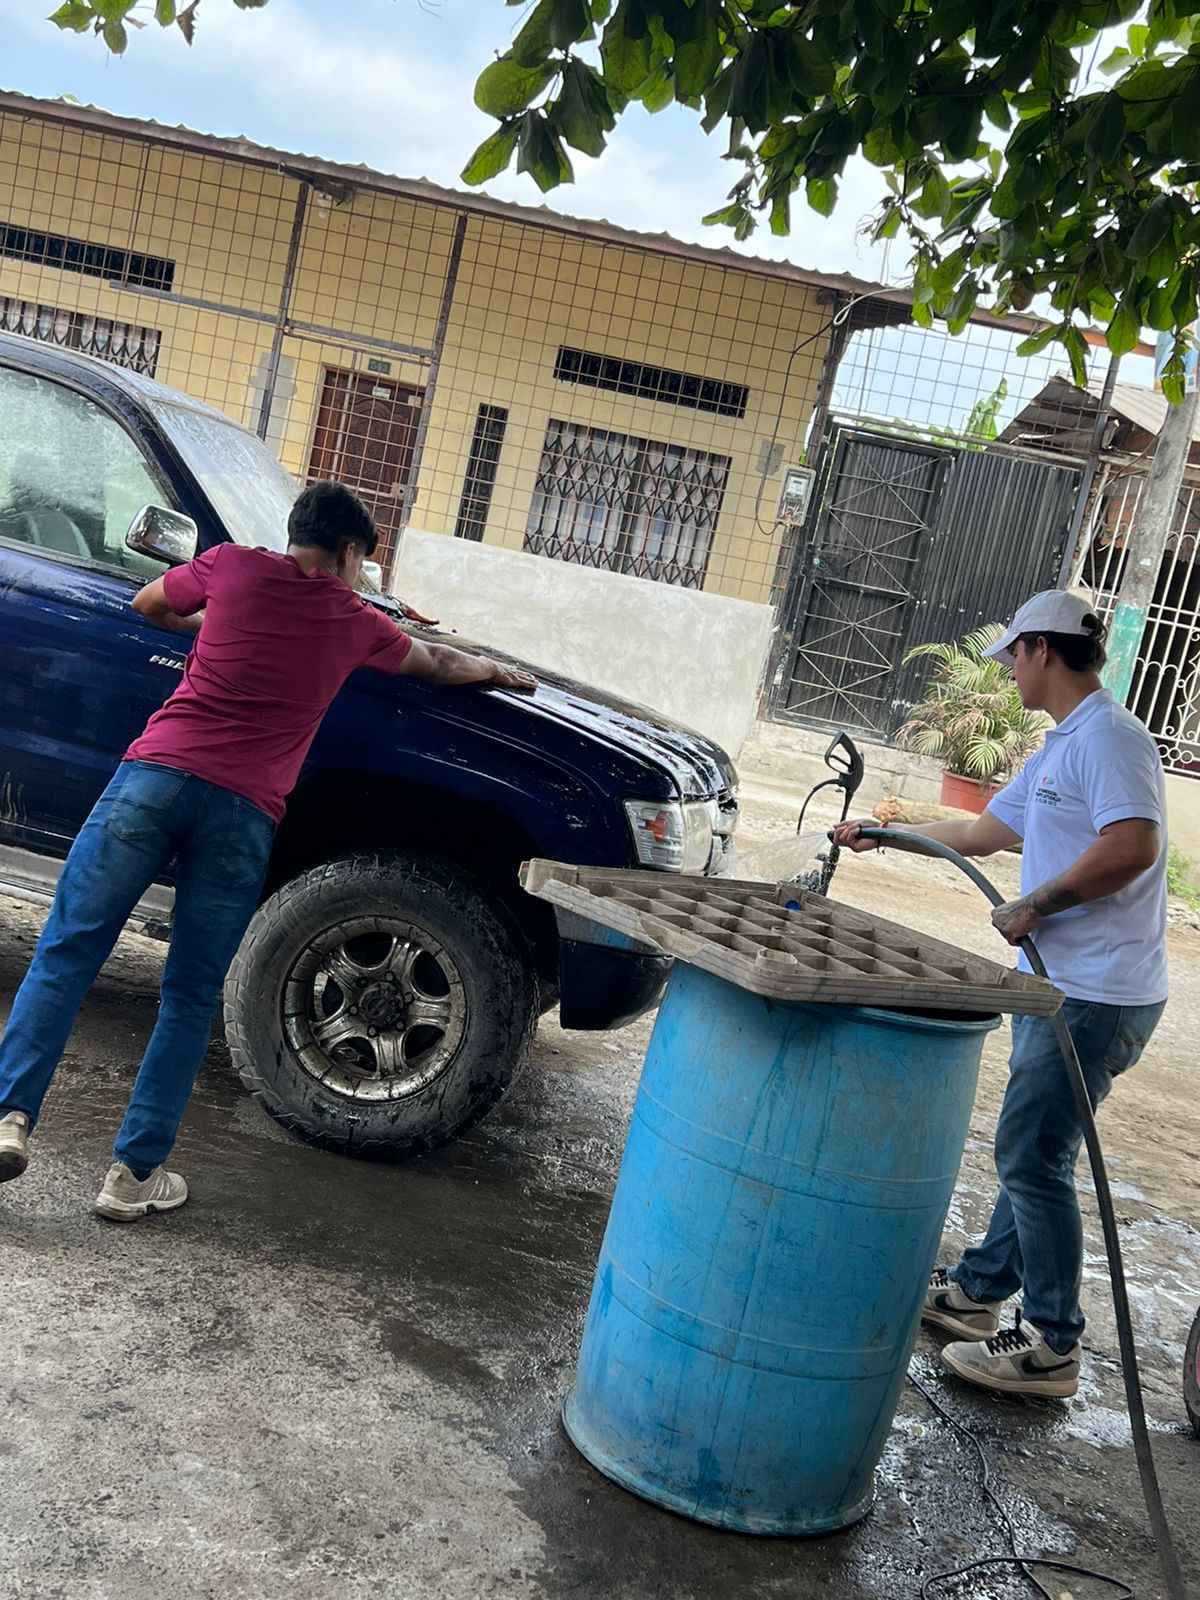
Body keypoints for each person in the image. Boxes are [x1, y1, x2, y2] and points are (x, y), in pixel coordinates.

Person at [0, 482, 534, 1221]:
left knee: (67, 952)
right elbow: (438, 664)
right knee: (190, 995)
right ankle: (133, 1175)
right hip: (241, 814)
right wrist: (496, 671)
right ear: (349, 553)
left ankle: (9, 1117)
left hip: (151, 783)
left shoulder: (232, 566)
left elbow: (150, 604)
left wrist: (218, 626)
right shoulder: (354, 620)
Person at [835, 590, 1167, 1398]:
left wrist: (1035, 904)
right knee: (1038, 1150)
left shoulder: (1111, 738)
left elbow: (1134, 846)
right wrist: (886, 835)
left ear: (1041, 650)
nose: (1009, 670)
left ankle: (1052, 1346)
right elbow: (983, 833)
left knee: (1031, 1154)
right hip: (1061, 985)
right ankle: (980, 1291)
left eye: (1013, 654)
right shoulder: (1062, 744)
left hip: (1097, 993)